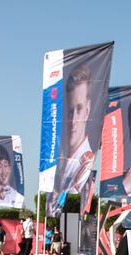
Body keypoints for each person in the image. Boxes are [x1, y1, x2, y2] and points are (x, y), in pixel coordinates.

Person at [53, 64, 95, 213]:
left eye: (79, 109)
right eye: (70, 111)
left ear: (87, 110)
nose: (73, 120)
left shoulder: (86, 160)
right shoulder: (54, 155)